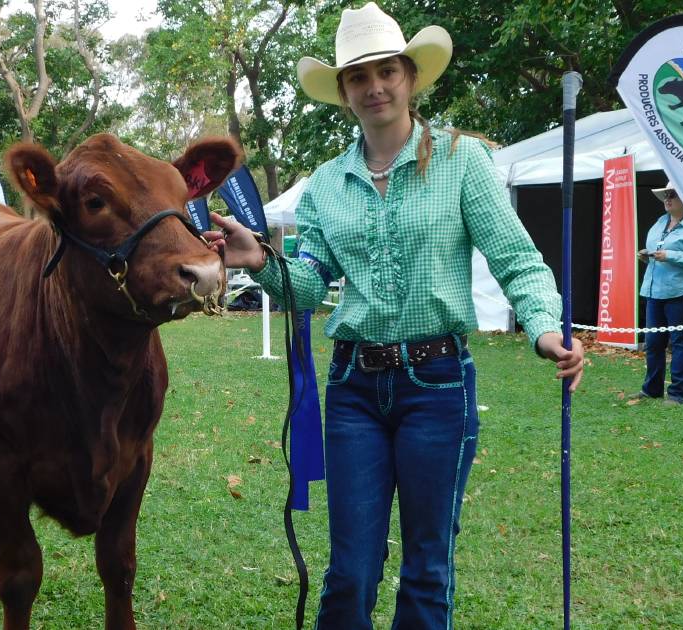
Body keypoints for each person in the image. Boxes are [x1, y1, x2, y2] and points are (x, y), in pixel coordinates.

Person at [203, 3, 584, 628]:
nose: (374, 86)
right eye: (358, 76)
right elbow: (307, 281)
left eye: (386, 71)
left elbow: (518, 259)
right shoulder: (327, 183)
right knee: (350, 569)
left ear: (410, 76)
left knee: (428, 566)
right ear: (344, 91)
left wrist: (544, 327)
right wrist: (260, 259)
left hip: (438, 387)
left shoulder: (463, 161)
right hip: (353, 389)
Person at [633, 180, 683, 405]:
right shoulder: (660, 222)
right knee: (653, 342)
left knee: (680, 343)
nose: (667, 198)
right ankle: (652, 389)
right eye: (666, 194)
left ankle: (678, 394)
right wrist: (646, 256)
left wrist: (670, 256)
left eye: (673, 194)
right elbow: (657, 253)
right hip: (655, 291)